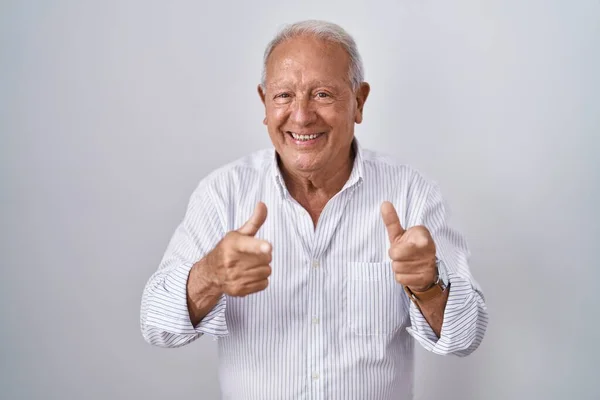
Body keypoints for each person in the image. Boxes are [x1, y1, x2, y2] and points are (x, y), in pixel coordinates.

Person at [140, 20, 488, 400]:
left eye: (322, 94)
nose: (302, 116)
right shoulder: (223, 193)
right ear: (264, 103)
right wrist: (209, 275)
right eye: (284, 95)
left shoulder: (412, 195)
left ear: (359, 101)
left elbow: (465, 337)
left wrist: (428, 286)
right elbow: (156, 325)